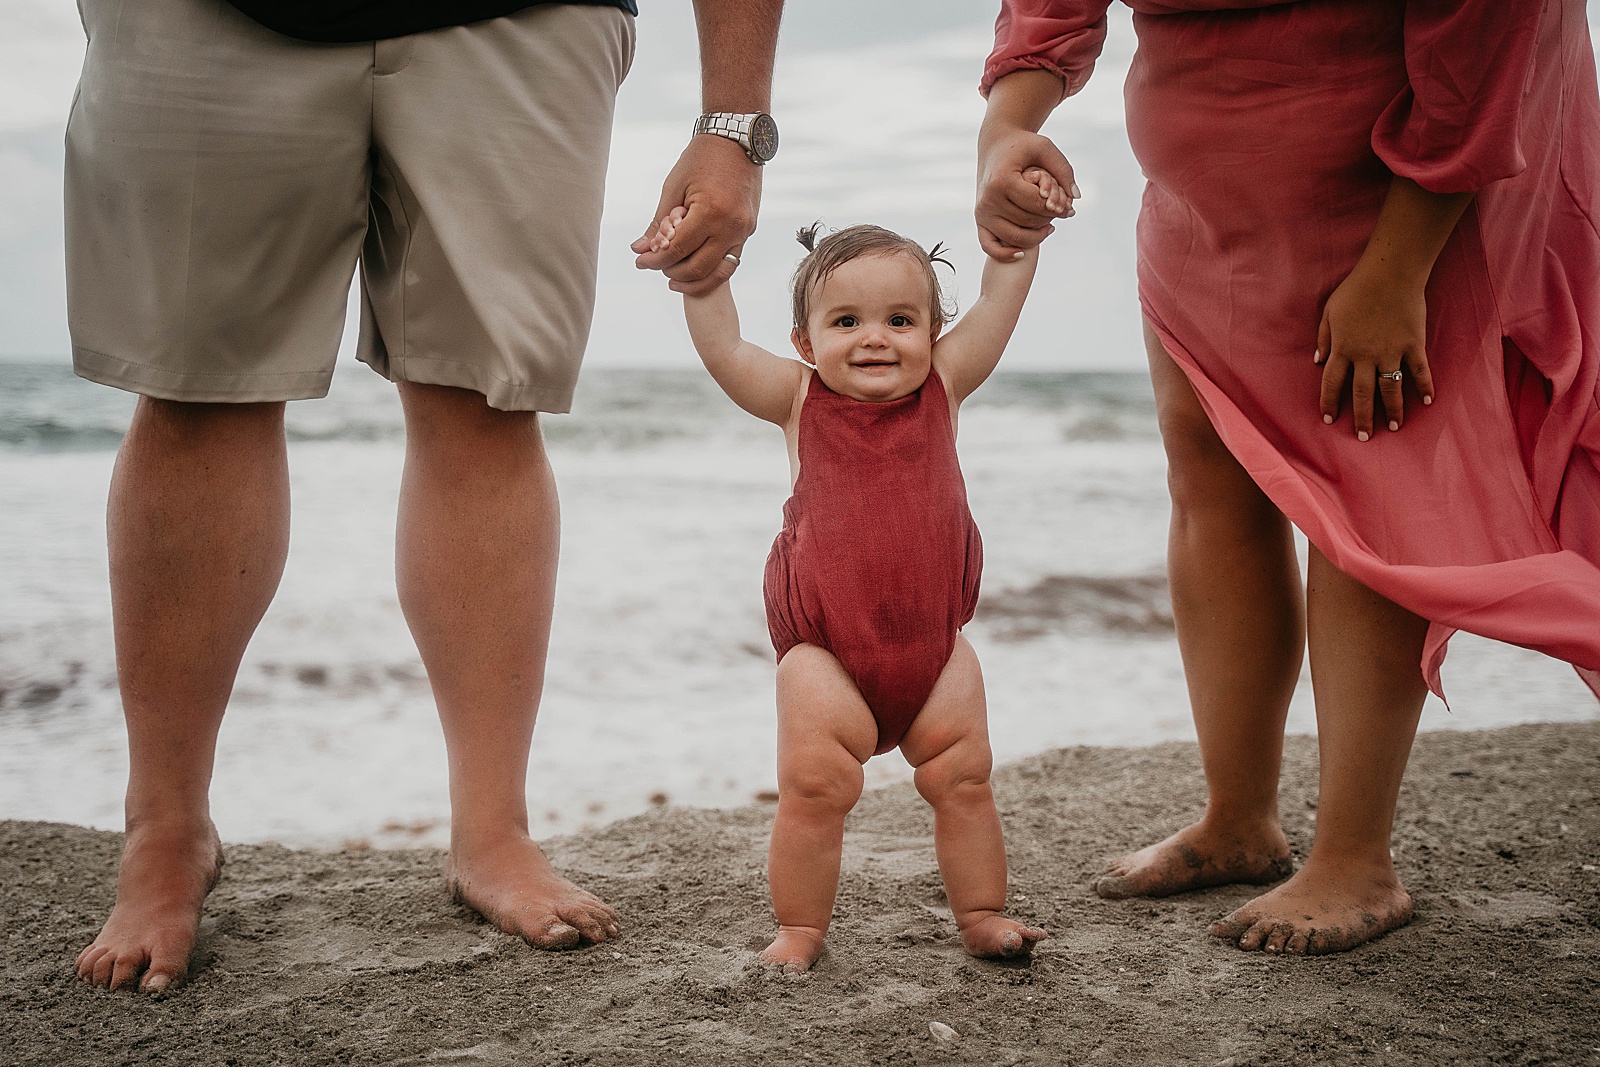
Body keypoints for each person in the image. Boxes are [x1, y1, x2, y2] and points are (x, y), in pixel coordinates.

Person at [68, 0, 781, 993]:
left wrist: (731, 120)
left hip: (527, 16)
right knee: (198, 386)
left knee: (487, 395)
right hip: (202, 16)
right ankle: (163, 829)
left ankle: (493, 830)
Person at [975, 0, 1600, 954]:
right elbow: (1047, 10)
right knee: (1209, 472)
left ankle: (1356, 860)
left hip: (1396, 195)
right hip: (1204, 200)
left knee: (1363, 494)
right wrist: (1008, 127)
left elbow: (1485, 49)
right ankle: (1238, 817)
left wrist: (1397, 273)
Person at [657, 213, 1055, 972]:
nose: (875, 338)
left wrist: (1019, 239)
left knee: (965, 780)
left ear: (935, 332)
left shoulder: (943, 382)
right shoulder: (797, 397)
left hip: (935, 653)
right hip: (824, 658)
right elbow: (725, 348)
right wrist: (703, 281)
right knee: (815, 789)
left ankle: (982, 913)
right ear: (806, 341)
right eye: (846, 321)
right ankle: (800, 929)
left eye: (901, 320)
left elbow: (1001, 304)